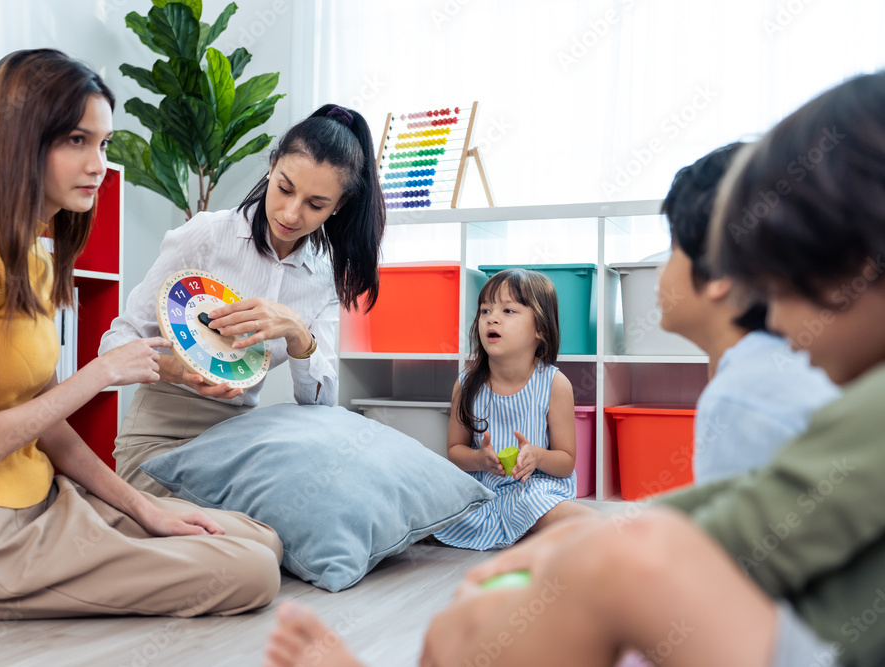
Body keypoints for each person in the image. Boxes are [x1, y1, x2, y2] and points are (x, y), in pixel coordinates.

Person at [262, 71, 885, 667]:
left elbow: (748, 534)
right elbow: (752, 507)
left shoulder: (751, 389)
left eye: (793, 268)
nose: (775, 305)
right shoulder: (471, 382)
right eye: (486, 309)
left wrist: (592, 551)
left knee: (607, 561)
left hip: (777, 622)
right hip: (500, 500)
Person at [0, 49, 282, 619]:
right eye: (77, 140)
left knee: (259, 539)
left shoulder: (31, 254)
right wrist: (101, 373)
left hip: (37, 496)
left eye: (102, 143)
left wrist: (148, 512)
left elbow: (48, 425)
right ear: (23, 139)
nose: (98, 163)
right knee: (252, 571)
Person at [100, 104, 386, 496]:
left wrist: (296, 331)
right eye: (284, 187)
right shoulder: (208, 236)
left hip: (240, 442)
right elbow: (115, 341)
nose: (290, 212)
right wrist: (177, 371)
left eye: (315, 204)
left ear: (338, 206)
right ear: (272, 166)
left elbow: (319, 401)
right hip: (162, 433)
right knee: (220, 544)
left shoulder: (321, 276)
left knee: (279, 533)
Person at [658, 142, 839, 483]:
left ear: (717, 273)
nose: (659, 274)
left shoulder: (739, 398)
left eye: (672, 250)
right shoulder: (795, 366)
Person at [431, 269, 587, 551]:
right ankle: (521, 533)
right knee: (426, 509)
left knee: (571, 518)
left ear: (540, 328)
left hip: (533, 489)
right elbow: (454, 450)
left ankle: (624, 541)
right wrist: (479, 460)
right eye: (485, 310)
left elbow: (565, 462)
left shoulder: (554, 384)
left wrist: (537, 456)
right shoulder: (466, 383)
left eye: (508, 310)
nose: (492, 317)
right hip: (481, 491)